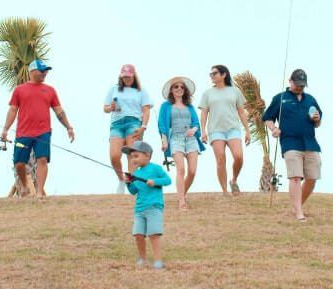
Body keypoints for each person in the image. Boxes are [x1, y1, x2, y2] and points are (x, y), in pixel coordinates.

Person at [1, 59, 75, 199]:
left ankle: (40, 192)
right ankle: (23, 186)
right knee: (19, 163)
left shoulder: (50, 90)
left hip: (43, 133)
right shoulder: (19, 90)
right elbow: (12, 110)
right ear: (32, 71)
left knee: (42, 159)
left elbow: (59, 111)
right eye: (42, 70)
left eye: (46, 71)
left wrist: (68, 127)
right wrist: (5, 129)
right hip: (23, 134)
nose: (45, 73)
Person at [263, 69, 323, 221]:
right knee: (295, 177)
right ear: (290, 81)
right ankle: (299, 214)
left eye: (302, 85)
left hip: (310, 143)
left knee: (312, 178)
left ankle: (298, 206)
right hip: (290, 143)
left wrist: (316, 119)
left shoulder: (310, 99)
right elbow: (268, 118)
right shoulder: (280, 98)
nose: (299, 87)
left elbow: (318, 122)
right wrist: (274, 128)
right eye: (297, 84)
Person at [198, 64, 250, 196]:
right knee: (220, 159)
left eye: (214, 73)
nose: (212, 76)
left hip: (233, 128)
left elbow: (241, 112)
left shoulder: (235, 91)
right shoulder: (207, 93)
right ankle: (225, 191)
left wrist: (247, 130)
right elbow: (204, 113)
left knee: (238, 156)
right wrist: (203, 131)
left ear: (224, 74)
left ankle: (234, 180)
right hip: (215, 130)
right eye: (211, 74)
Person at [103, 64, 153, 190]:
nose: (127, 79)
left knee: (132, 155)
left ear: (134, 76)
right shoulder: (114, 89)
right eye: (124, 77)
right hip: (116, 124)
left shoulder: (141, 91)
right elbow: (106, 108)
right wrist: (111, 107)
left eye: (129, 77)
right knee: (114, 156)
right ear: (121, 76)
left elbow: (146, 110)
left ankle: (131, 183)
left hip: (134, 122)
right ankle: (121, 180)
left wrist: (143, 126)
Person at [122, 141, 171, 269]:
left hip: (154, 207)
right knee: (138, 235)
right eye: (132, 157)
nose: (133, 159)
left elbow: (168, 180)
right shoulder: (136, 174)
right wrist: (128, 183)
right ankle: (143, 260)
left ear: (147, 155)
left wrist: (154, 181)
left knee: (153, 235)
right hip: (139, 210)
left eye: (136, 156)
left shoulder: (155, 168)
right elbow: (133, 191)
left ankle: (158, 261)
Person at [157, 76, 203, 210]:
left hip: (191, 139)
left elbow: (196, 123)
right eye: (176, 87)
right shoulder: (165, 106)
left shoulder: (190, 106)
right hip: (175, 138)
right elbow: (162, 125)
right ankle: (182, 201)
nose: (179, 89)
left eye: (182, 87)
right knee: (181, 169)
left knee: (192, 171)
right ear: (171, 90)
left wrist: (194, 130)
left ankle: (182, 193)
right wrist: (164, 140)